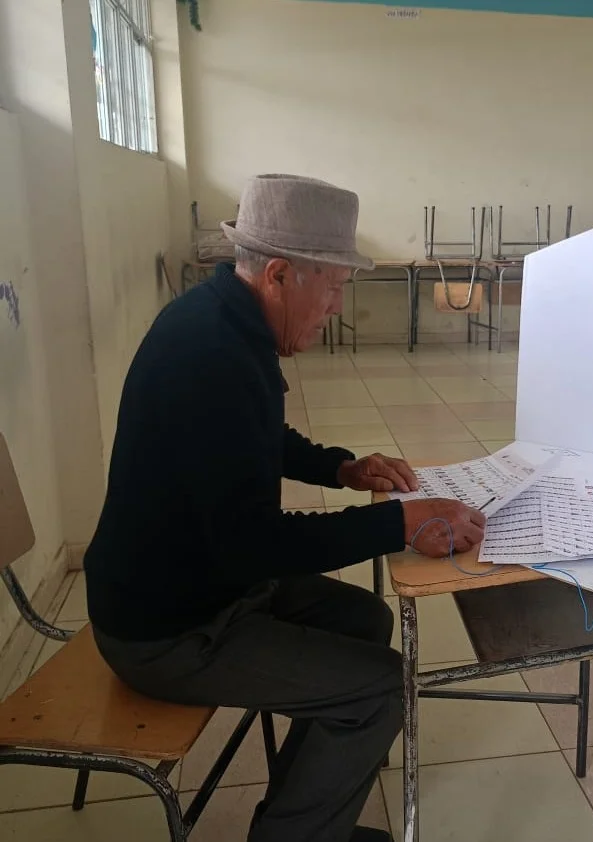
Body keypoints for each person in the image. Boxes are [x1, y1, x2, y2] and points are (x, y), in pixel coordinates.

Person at [83, 174, 486, 842]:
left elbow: (258, 437)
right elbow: (252, 544)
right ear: (278, 274)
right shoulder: (211, 355)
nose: (335, 306)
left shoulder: (225, 322)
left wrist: (341, 467)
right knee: (380, 686)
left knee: (363, 618)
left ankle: (304, 812)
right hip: (167, 628)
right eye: (331, 285)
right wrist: (399, 522)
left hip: (203, 584)